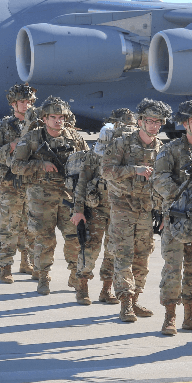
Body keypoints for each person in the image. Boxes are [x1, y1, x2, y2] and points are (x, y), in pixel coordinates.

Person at [101, 98, 171, 322]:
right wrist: (135, 170)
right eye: (149, 121)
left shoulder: (162, 149)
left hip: (146, 210)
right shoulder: (122, 143)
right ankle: (125, 302)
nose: (153, 126)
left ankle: (135, 298)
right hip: (123, 206)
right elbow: (106, 171)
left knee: (143, 256)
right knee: (123, 254)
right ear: (140, 121)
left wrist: (162, 212)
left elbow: (162, 184)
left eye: (158, 122)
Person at [11, 96, 88, 295]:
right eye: (53, 117)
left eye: (61, 117)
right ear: (44, 118)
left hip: (68, 197)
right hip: (40, 197)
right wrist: (40, 165)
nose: (57, 121)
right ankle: (43, 276)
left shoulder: (75, 138)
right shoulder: (32, 138)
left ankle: (75, 276)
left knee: (74, 237)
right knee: (44, 239)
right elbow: (15, 166)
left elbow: (88, 164)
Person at [152, 100, 192, 335]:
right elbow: (159, 179)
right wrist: (185, 198)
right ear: (184, 124)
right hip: (176, 220)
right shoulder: (170, 150)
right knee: (172, 268)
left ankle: (191, 316)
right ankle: (169, 317)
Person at [70, 109, 137, 306]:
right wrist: (78, 210)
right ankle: (82, 286)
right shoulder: (96, 154)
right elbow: (82, 182)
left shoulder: (132, 154)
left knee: (113, 250)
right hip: (97, 206)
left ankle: (107, 289)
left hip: (122, 208)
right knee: (89, 247)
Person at [0, 83, 36, 283]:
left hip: (31, 183)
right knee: (7, 227)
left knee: (31, 226)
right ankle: (5, 266)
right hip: (9, 185)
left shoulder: (37, 126)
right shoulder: (2, 127)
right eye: (22, 102)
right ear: (13, 104)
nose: (25, 106)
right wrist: (11, 146)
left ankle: (27, 262)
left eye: (29, 102)